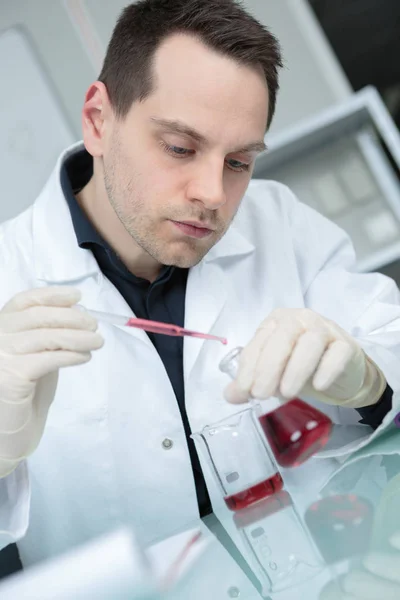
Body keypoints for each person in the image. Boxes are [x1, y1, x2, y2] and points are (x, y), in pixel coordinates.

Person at [0, 0, 399, 570]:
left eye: (238, 162)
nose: (212, 193)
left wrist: (370, 380)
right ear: (98, 121)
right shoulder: (7, 277)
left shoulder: (280, 223)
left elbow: (390, 340)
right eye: (181, 148)